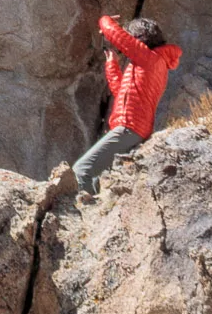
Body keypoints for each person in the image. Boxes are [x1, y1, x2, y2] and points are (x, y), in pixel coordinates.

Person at [51, 15, 182, 200]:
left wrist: (105, 20)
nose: (125, 49)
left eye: (130, 37)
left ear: (139, 38)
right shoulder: (152, 63)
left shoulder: (148, 58)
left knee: (82, 171)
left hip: (129, 128)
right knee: (95, 178)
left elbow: (114, 34)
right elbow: (121, 92)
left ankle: (85, 218)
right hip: (133, 128)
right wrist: (112, 63)